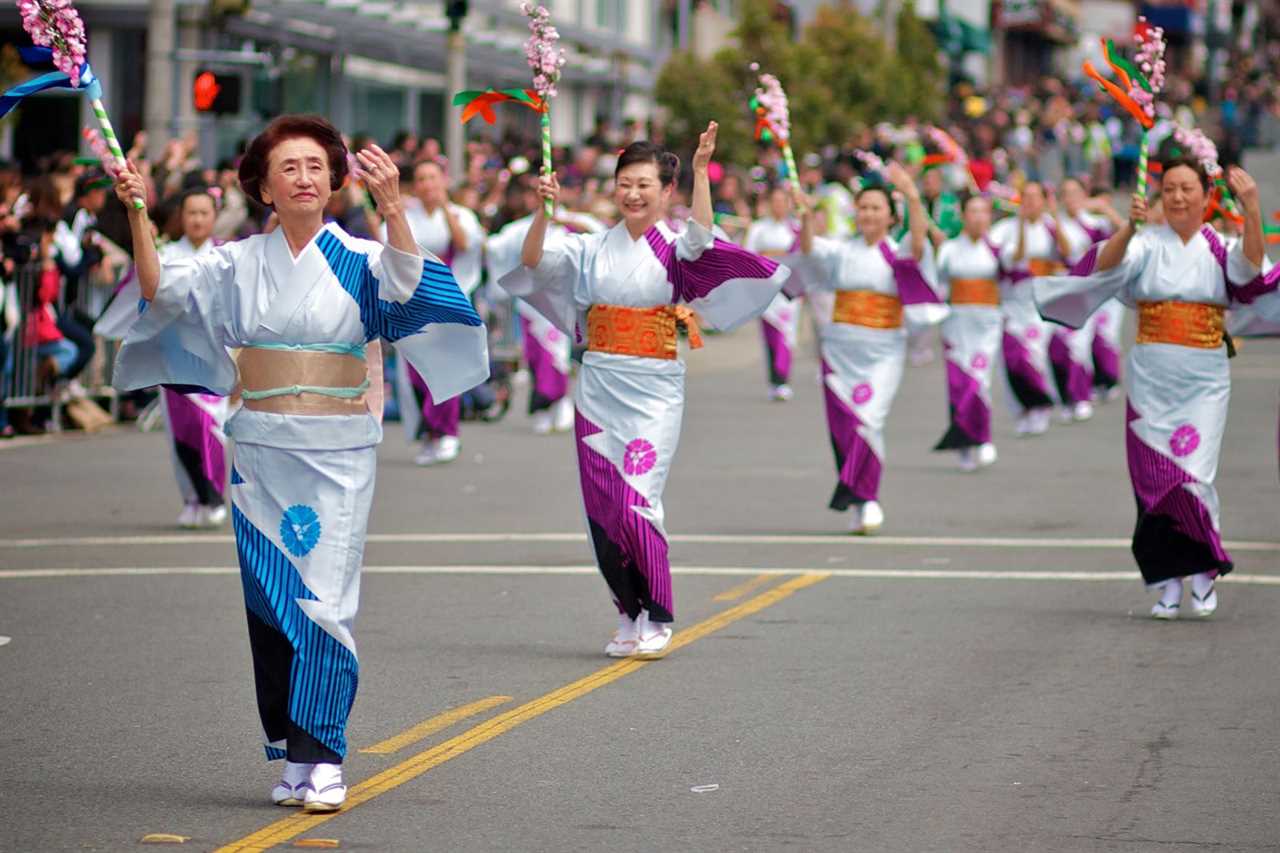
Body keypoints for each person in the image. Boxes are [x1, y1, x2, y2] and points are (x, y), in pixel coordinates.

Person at [111, 115, 487, 811]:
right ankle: (290, 748)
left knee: (325, 602)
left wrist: (395, 208)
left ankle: (325, 752)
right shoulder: (235, 262)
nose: (305, 179)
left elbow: (410, 291)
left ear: (336, 179)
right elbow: (162, 288)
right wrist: (138, 210)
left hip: (338, 452)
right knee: (270, 603)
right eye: (289, 168)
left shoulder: (359, 256)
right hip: (258, 447)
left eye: (317, 166)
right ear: (262, 186)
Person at [505, 122, 788, 658]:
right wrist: (544, 211)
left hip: (654, 389)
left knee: (638, 500)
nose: (633, 194)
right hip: (597, 389)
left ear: (665, 193)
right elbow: (533, 264)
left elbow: (704, 239)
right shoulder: (588, 247)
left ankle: (657, 611)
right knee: (604, 508)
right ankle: (627, 609)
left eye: (644, 185)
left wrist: (702, 169)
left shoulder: (677, 250)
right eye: (625, 183)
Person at [1033, 158, 1272, 619]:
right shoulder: (1144, 244)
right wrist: (1128, 227)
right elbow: (1104, 265)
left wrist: (1253, 209)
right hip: (1150, 379)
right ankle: (1166, 582)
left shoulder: (1221, 247)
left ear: (1206, 196)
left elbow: (1252, 274)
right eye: (1169, 189)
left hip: (1203, 380)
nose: (1178, 197)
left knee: (1193, 480)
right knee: (1152, 482)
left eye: (1187, 188)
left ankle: (1202, 570)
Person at [794, 162, 946, 534]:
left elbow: (918, 240)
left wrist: (911, 195)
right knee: (843, 427)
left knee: (870, 421)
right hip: (839, 349)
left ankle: (869, 496)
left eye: (876, 208)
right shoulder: (842, 250)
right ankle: (859, 500)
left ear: (890, 216)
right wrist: (806, 215)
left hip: (883, 351)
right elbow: (810, 249)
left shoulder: (899, 253)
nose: (868, 214)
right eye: (863, 207)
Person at [386, 158, 484, 466]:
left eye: (433, 177)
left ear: (443, 180)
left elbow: (465, 244)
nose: (428, 184)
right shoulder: (407, 216)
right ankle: (429, 432)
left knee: (445, 367)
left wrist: (445, 209)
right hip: (415, 298)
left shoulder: (461, 214)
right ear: (415, 186)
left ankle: (447, 432)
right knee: (417, 371)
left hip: (448, 297)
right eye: (422, 178)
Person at [485, 179, 603, 434]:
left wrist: (568, 222)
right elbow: (494, 247)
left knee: (556, 355)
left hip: (561, 302)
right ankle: (542, 407)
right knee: (537, 357)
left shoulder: (571, 223)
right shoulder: (522, 227)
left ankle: (559, 401)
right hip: (531, 304)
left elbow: (600, 235)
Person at [157, 187, 230, 528]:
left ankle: (213, 495)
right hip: (174, 356)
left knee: (209, 426)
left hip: (214, 356)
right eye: (192, 213)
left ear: (214, 216)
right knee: (181, 430)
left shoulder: (227, 256)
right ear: (181, 217)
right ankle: (191, 497)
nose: (198, 219)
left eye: (204, 213)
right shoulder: (166, 254)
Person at [989, 181, 1071, 435]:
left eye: (1037, 198)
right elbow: (1015, 258)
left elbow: (1066, 252)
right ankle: (1023, 409)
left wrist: (1055, 216)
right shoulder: (1006, 229)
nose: (1031, 202)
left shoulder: (1050, 226)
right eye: (1027, 197)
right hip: (1013, 303)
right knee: (1011, 359)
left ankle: (1041, 406)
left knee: (1032, 355)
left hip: (1040, 304)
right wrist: (1022, 225)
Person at [933, 195, 1002, 471]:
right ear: (963, 215)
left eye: (983, 212)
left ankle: (983, 437)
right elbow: (936, 285)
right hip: (956, 322)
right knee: (959, 384)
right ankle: (962, 444)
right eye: (972, 212)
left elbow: (1013, 279)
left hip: (987, 323)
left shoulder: (997, 248)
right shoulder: (948, 249)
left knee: (980, 380)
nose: (978, 218)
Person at [743, 184, 801, 401]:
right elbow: (748, 256)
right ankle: (774, 380)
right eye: (775, 201)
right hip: (766, 288)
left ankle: (783, 380)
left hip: (789, 289)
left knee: (787, 333)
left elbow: (802, 256)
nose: (779, 206)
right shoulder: (759, 228)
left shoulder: (795, 228)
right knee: (770, 334)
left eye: (783, 201)